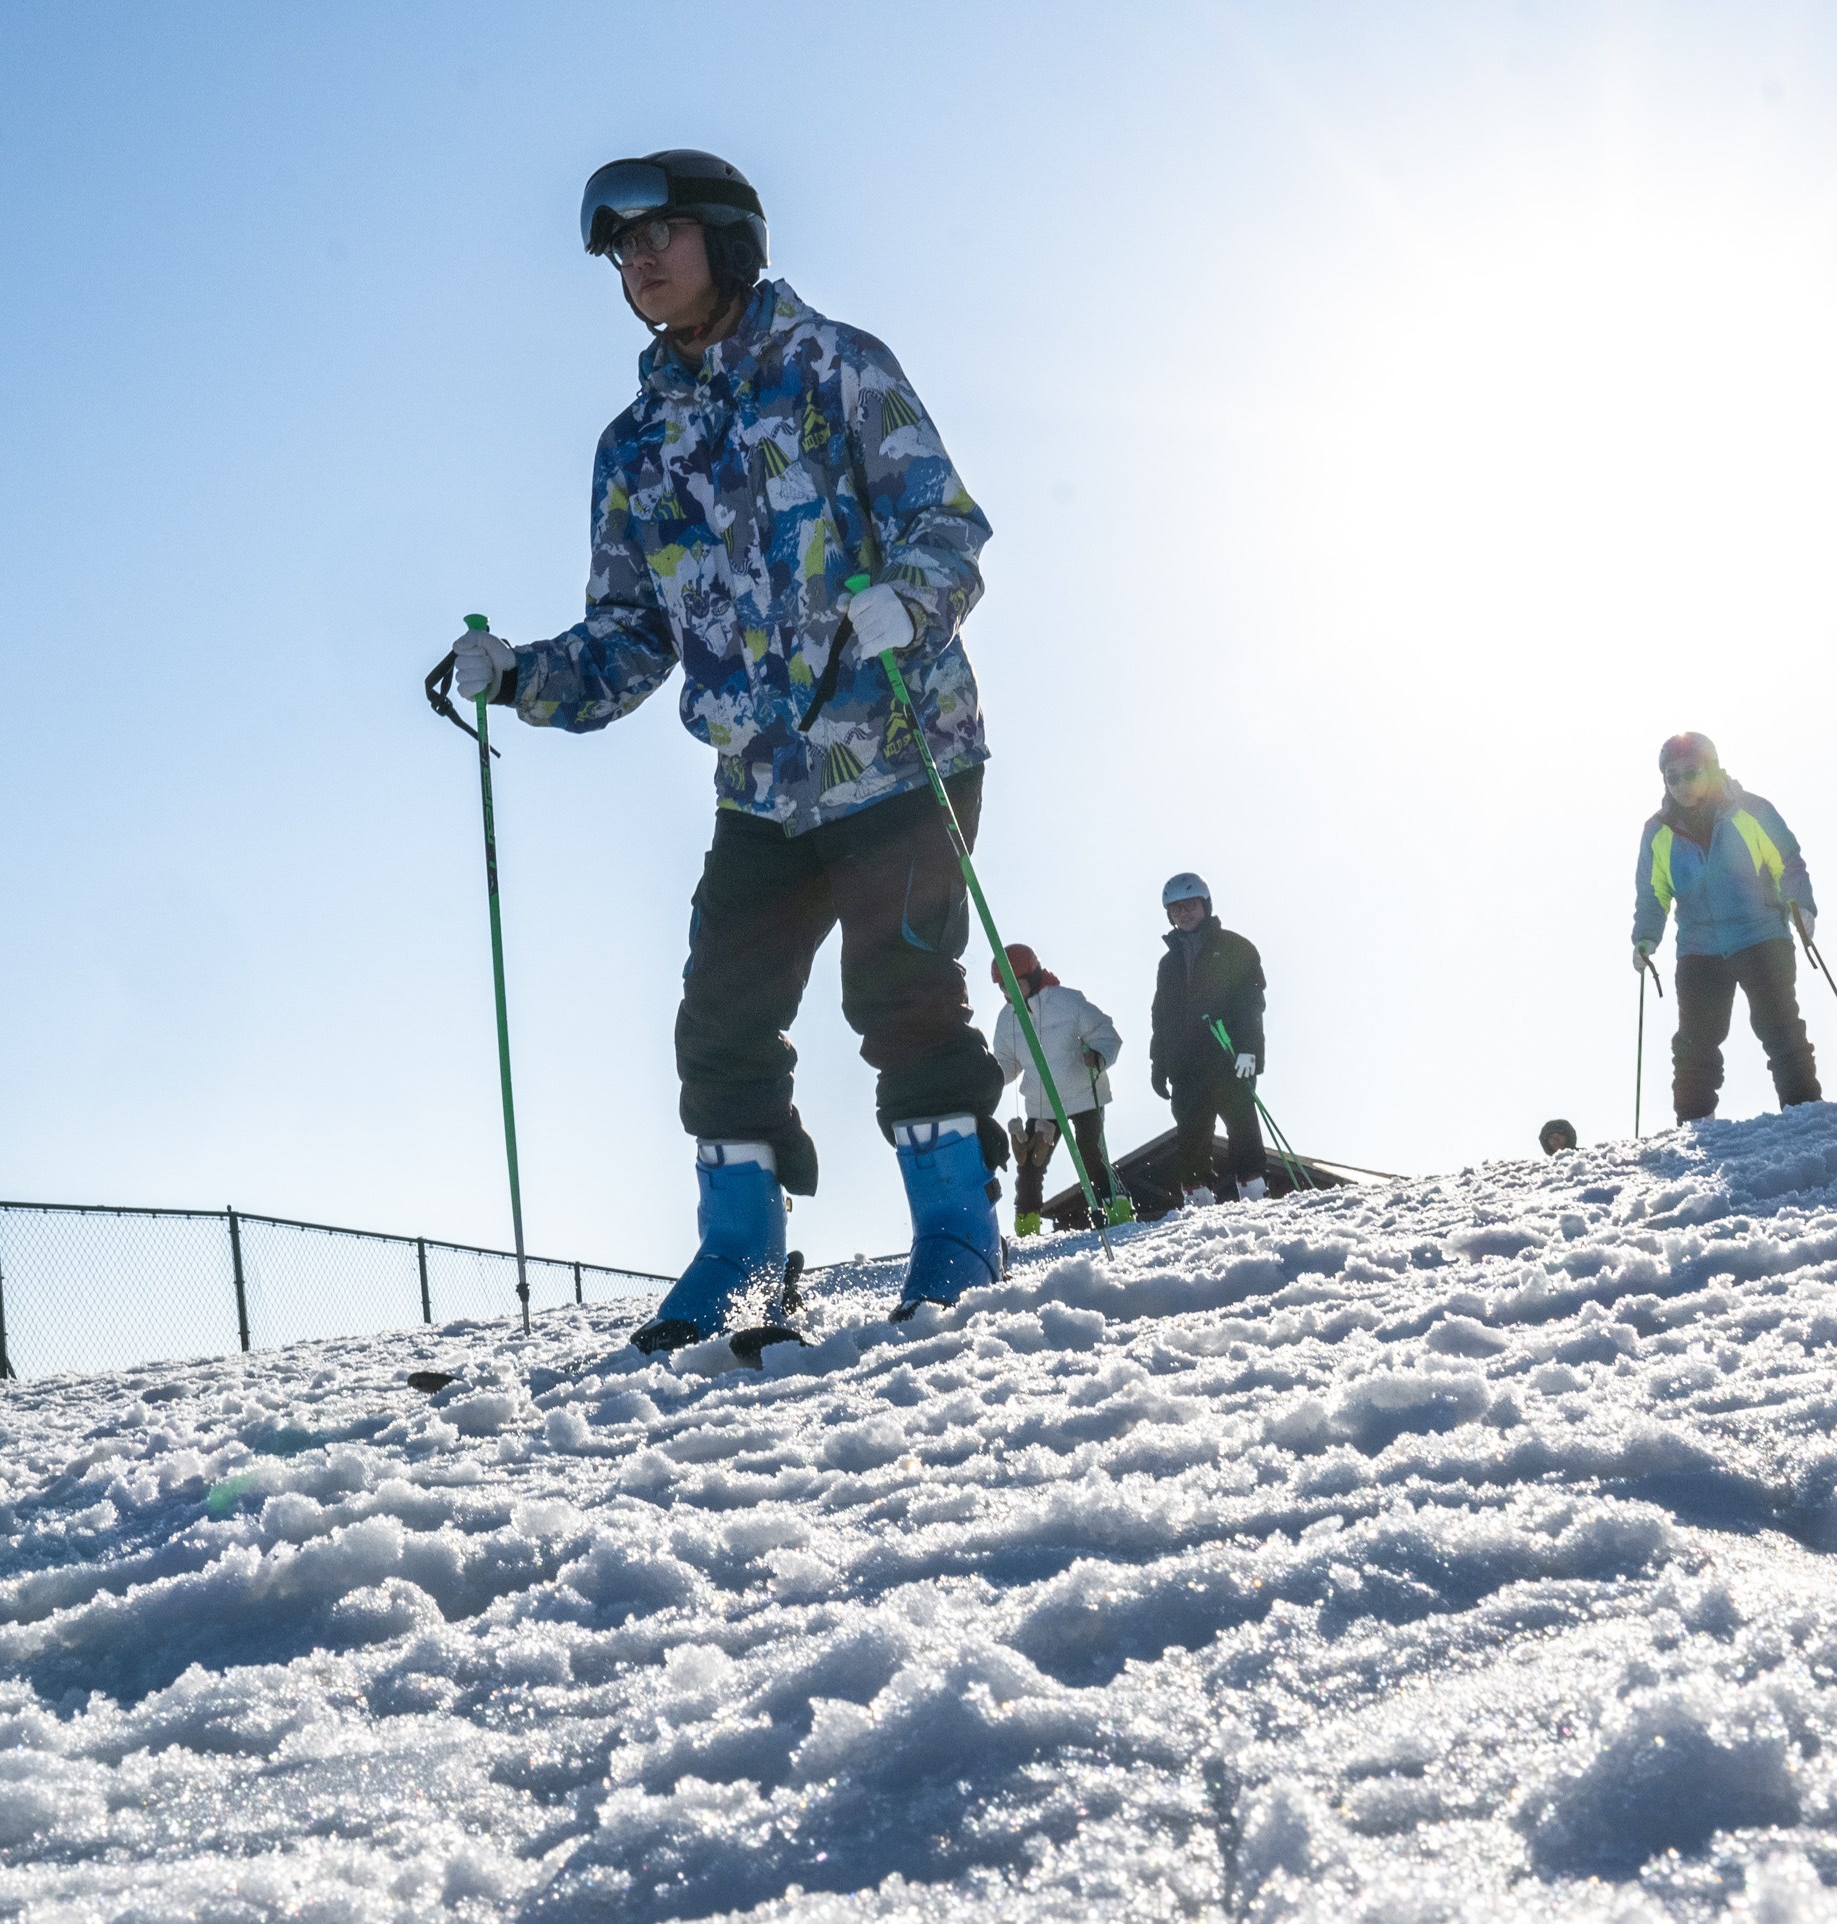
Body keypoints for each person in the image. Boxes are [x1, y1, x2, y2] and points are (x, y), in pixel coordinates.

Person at [435, 151, 1008, 1343]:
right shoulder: (634, 448)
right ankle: (740, 1255)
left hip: (898, 743)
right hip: (760, 783)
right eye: (621, 249)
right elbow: (628, 638)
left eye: (665, 234)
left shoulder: (834, 366)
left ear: (731, 240)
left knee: (899, 988)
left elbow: (944, 524)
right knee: (722, 1017)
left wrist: (910, 594)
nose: (640, 260)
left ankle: (956, 1237)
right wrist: (523, 675)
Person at [1630, 732, 1822, 1121]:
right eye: (1673, 777)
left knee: (1781, 1028)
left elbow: (1787, 860)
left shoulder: (1750, 810)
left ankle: (1806, 1118)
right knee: (1695, 1046)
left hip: (1761, 936)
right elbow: (1654, 892)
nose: (1682, 783)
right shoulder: (1658, 831)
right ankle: (1697, 1129)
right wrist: (1645, 938)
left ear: (1711, 769)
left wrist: (1800, 905)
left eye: (1690, 772)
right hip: (1699, 949)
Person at [1147, 873, 1270, 1203]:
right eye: (1175, 910)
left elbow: (1251, 1002)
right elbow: (1162, 1017)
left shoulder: (1235, 947)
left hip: (1227, 1054)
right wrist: (1159, 1064)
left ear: (1205, 905)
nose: (1184, 914)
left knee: (1241, 1124)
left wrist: (1250, 1050)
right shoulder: (1169, 963)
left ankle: (1254, 1190)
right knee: (1191, 1134)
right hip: (1186, 1063)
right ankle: (1197, 1198)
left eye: (1190, 906)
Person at [986, 944, 1124, 1236]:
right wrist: (990, 1076)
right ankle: (1027, 1225)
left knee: (1091, 1154)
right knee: (1030, 1165)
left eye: (1014, 985)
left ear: (1033, 976)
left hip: (1084, 1095)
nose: (1008, 994)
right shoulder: (1007, 1018)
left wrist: (1099, 1056)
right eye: (1003, 989)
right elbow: (1007, 1064)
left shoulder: (1067, 1001)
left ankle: (1116, 1210)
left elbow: (1105, 1032)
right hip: (1042, 1102)